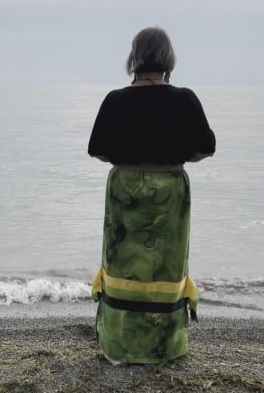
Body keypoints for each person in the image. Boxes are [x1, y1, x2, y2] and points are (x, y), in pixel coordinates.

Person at [88, 27, 216, 364]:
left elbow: (98, 151)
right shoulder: (184, 98)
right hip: (170, 188)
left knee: (122, 265)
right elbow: (205, 149)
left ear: (134, 59)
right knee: (167, 268)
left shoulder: (115, 100)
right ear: (168, 60)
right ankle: (165, 345)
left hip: (124, 190)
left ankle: (119, 343)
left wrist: (131, 157)